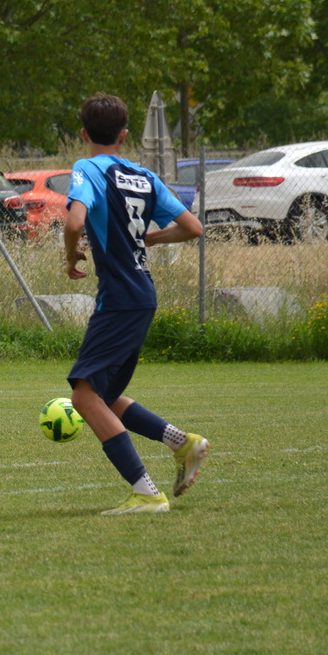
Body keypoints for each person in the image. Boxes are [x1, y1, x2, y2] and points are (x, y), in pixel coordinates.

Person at [63, 94, 210, 515]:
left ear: (84, 134)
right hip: (142, 294)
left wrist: (71, 255)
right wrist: (148, 239)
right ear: (125, 135)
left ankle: (146, 492)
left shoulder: (87, 168)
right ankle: (183, 443)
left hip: (119, 298)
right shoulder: (144, 176)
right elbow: (193, 227)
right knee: (104, 396)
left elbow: (74, 221)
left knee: (84, 397)